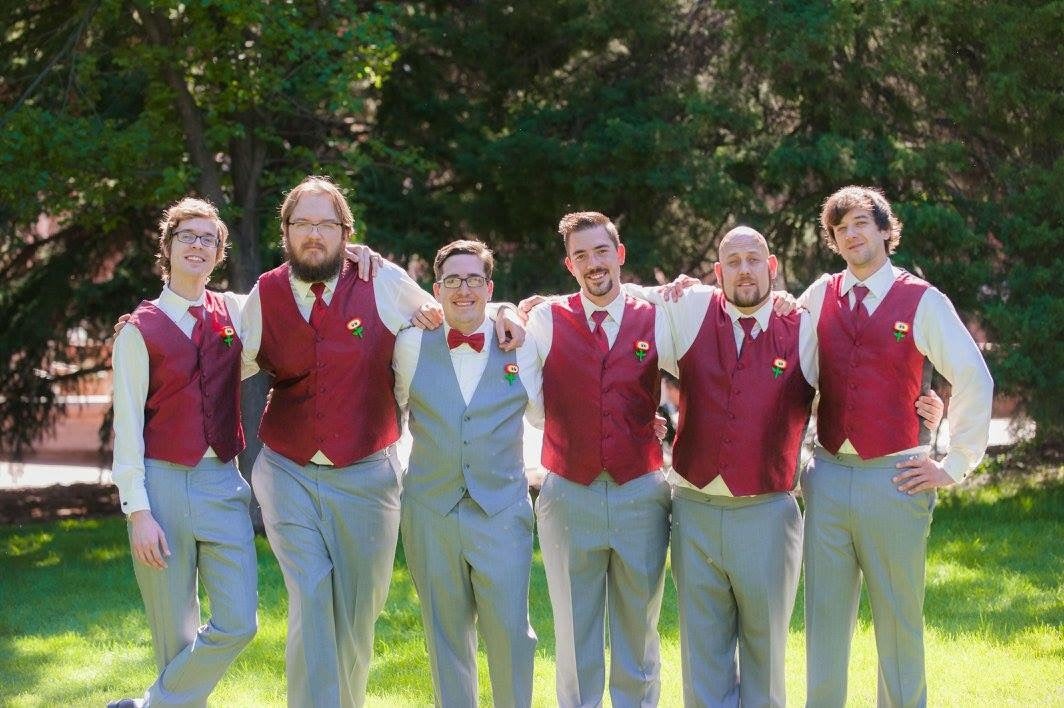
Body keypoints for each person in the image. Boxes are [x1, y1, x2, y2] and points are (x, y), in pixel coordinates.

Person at [239, 176, 523, 707]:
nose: (314, 235)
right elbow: (224, 357)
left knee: (356, 612)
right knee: (311, 594)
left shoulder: (384, 282)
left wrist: (507, 311)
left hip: (368, 473)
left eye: (326, 224)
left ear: (346, 233)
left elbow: (459, 307)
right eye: (303, 223)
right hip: (286, 469)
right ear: (286, 231)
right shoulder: (265, 293)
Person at [628, 227, 942, 707]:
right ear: (717, 273)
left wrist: (923, 409)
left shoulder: (804, 325)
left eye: (754, 260)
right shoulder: (689, 308)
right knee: (702, 656)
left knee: (767, 654)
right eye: (733, 262)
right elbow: (613, 299)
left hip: (768, 514)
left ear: (772, 267)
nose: (744, 271)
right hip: (693, 510)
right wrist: (523, 309)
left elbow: (866, 373)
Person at [800, 186, 993, 707]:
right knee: (823, 626)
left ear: (886, 231)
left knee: (898, 624)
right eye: (841, 229)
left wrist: (954, 463)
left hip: (896, 479)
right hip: (827, 477)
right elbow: (784, 361)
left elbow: (973, 376)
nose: (851, 235)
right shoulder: (819, 296)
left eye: (861, 223)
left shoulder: (922, 300)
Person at [521, 211, 675, 708]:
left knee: (639, 629)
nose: (593, 264)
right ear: (569, 265)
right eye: (581, 255)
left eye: (601, 251)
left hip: (641, 491)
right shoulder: (546, 319)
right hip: (569, 491)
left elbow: (705, 375)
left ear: (620, 254)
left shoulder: (657, 317)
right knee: (573, 631)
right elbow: (532, 404)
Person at [110, 197, 257, 708]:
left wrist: (363, 258)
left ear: (219, 252)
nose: (198, 245)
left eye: (208, 238)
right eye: (187, 236)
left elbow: (294, 296)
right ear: (167, 247)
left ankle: (149, 706)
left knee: (239, 622)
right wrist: (138, 513)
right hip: (163, 484)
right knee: (174, 635)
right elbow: (127, 429)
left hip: (223, 480)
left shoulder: (236, 311)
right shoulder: (137, 330)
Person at [393, 239, 542, 708]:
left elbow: (543, 416)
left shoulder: (523, 344)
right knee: (445, 638)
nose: (463, 290)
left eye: (474, 279)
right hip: (430, 510)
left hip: (502, 510)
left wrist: (508, 312)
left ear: (489, 288)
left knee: (511, 634)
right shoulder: (409, 345)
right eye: (453, 280)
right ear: (436, 289)